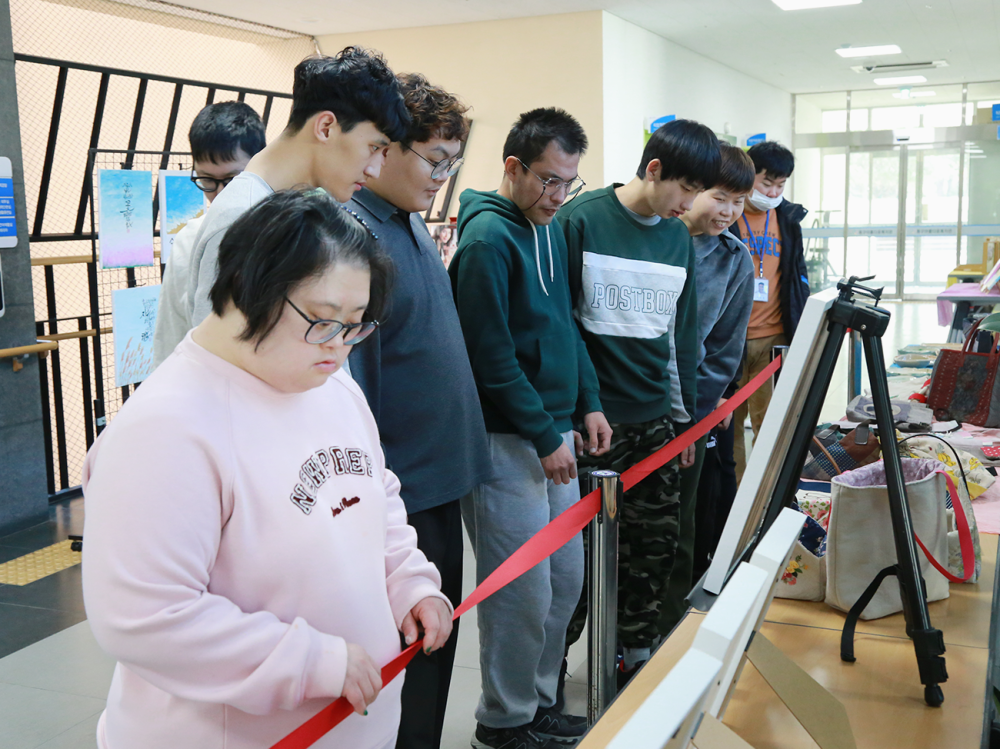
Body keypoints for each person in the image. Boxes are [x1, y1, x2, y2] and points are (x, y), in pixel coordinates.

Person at [82, 189, 453, 749]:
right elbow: (145, 617)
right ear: (245, 289)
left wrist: (408, 582)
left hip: (353, 727)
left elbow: (374, 497)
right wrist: (311, 662)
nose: (340, 346)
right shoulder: (167, 428)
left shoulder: (331, 385)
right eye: (323, 321)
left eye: (356, 324)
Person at [449, 107, 612, 749]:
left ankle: (539, 704)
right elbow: (490, 357)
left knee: (564, 580)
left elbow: (566, 325)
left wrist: (588, 402)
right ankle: (503, 721)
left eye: (569, 182)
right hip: (508, 440)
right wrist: (545, 434)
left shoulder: (550, 228)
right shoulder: (487, 240)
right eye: (548, 180)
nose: (559, 195)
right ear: (513, 168)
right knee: (520, 589)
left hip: (555, 432)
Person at [347, 73, 491, 749]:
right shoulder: (355, 236)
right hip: (402, 486)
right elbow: (352, 390)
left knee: (437, 641)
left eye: (451, 164)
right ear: (385, 149)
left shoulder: (408, 220)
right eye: (434, 161)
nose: (443, 178)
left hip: (438, 475)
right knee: (415, 651)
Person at [557, 118, 720, 685]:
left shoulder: (677, 239)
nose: (689, 205)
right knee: (576, 563)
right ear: (654, 170)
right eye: (685, 189)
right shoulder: (581, 220)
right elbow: (562, 326)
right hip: (593, 425)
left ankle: (638, 657)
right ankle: (552, 674)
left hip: (655, 424)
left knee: (652, 550)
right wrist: (577, 410)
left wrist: (683, 422)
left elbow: (679, 337)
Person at [182, 47, 410, 334]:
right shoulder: (242, 216)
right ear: (326, 127)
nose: (375, 170)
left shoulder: (304, 206)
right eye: (374, 147)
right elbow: (221, 354)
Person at [677, 143, 756, 579]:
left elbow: (726, 345)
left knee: (689, 520)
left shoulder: (733, 258)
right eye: (719, 197)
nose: (729, 211)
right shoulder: (656, 239)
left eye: (738, 201)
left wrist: (698, 413)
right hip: (634, 404)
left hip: (694, 409)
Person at [153, 101, 266, 368]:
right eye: (207, 180)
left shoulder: (288, 229)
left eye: (232, 179)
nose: (219, 194)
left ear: (260, 163)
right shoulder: (189, 239)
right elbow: (171, 330)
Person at [727, 141, 810, 483]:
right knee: (729, 426)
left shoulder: (787, 220)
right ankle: (734, 497)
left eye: (780, 185)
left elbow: (797, 277)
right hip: (730, 342)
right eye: (766, 183)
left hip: (773, 338)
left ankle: (766, 492)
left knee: (770, 424)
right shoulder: (726, 214)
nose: (773, 192)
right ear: (749, 175)